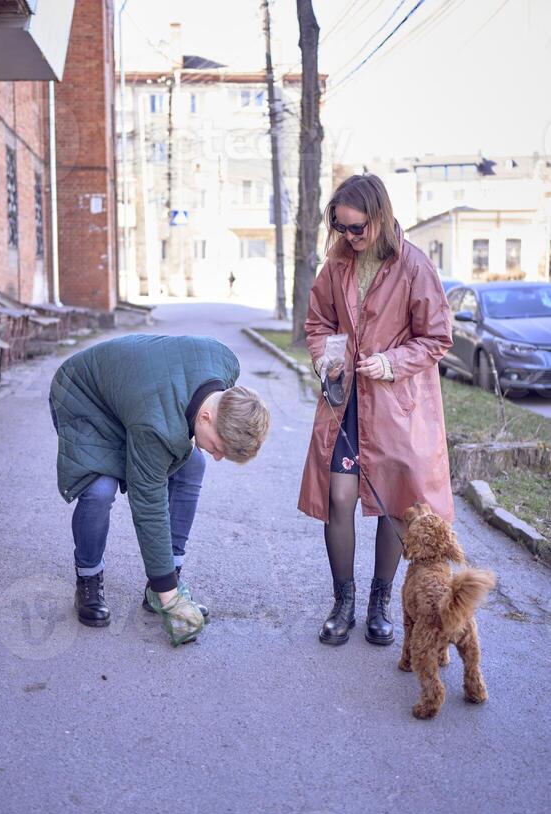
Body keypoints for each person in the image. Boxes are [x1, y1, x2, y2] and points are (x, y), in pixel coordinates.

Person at [298, 173, 453, 647]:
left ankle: (379, 603)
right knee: (339, 498)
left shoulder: (414, 266)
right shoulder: (337, 265)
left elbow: (437, 337)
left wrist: (392, 362)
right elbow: (319, 322)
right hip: (346, 403)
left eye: (357, 228)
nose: (349, 237)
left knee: (395, 504)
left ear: (380, 217)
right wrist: (330, 358)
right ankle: (342, 601)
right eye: (341, 228)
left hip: (397, 407)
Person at [49, 333, 270, 646]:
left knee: (195, 464)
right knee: (100, 490)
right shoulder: (156, 426)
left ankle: (167, 578)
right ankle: (88, 578)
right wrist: (172, 602)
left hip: (134, 397)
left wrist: (164, 584)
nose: (219, 456)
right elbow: (148, 506)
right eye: (219, 447)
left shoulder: (225, 363)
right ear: (206, 417)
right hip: (84, 396)